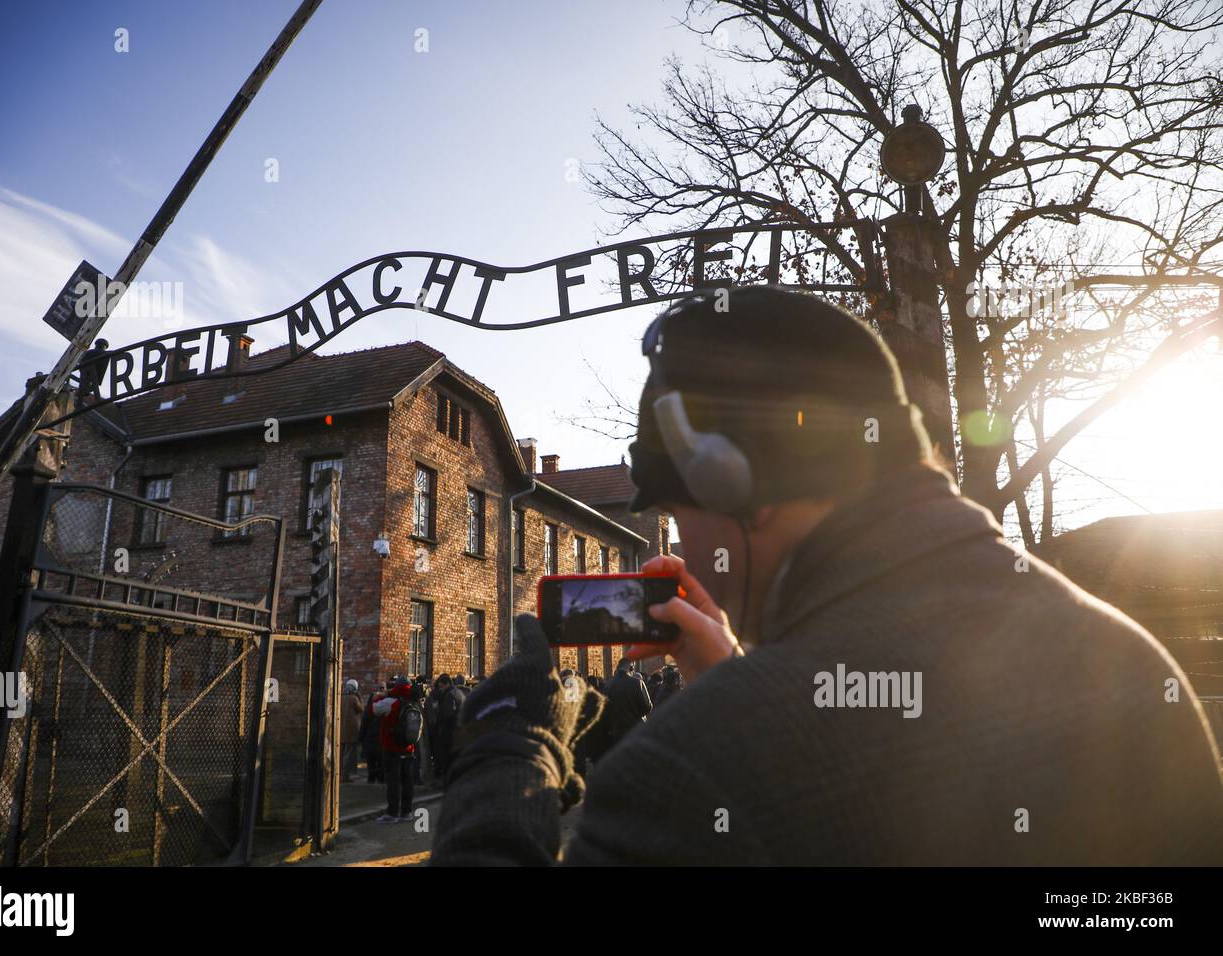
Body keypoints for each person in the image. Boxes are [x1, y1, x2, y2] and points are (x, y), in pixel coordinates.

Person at [430, 287, 1223, 865]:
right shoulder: (1129, 662)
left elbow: (791, 763)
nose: (677, 548)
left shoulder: (689, 774)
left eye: (678, 516)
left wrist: (507, 752)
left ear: (736, 483)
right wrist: (745, 683)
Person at [372, 676, 419, 822]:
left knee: (393, 781)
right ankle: (407, 811)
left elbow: (373, 709)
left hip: (392, 747)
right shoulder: (414, 702)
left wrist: (377, 697)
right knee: (407, 781)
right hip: (409, 747)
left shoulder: (390, 702)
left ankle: (392, 813)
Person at [600, 658, 653, 752]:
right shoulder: (637, 683)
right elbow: (647, 707)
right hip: (635, 729)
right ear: (631, 667)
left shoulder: (608, 685)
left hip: (616, 731)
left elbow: (604, 710)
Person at [360, 683, 385, 785]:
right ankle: (379, 778)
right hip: (379, 738)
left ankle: (371, 778)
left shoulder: (368, 711)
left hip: (370, 738)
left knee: (371, 761)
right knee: (379, 760)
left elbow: (364, 725)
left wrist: (361, 738)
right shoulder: (383, 710)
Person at [340, 679, 364, 782]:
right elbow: (361, 709)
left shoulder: (340, 697)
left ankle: (340, 774)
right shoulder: (354, 698)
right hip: (352, 731)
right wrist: (359, 697)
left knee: (341, 753)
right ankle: (345, 775)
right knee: (348, 754)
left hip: (341, 731)